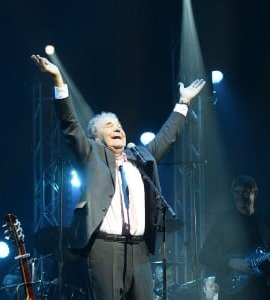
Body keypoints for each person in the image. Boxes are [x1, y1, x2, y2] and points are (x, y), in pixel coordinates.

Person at [31, 54, 206, 300]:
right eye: (109, 125)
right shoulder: (91, 154)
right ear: (95, 137)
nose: (117, 128)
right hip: (104, 248)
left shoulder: (140, 156)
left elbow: (167, 136)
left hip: (139, 248)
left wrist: (183, 103)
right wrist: (59, 80)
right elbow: (69, 123)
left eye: (119, 125)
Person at [199, 175, 270, 300]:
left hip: (259, 291)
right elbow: (204, 255)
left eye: (245, 192)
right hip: (232, 291)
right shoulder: (223, 221)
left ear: (255, 193)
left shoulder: (264, 223)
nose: (240, 197)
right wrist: (231, 263)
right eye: (236, 192)